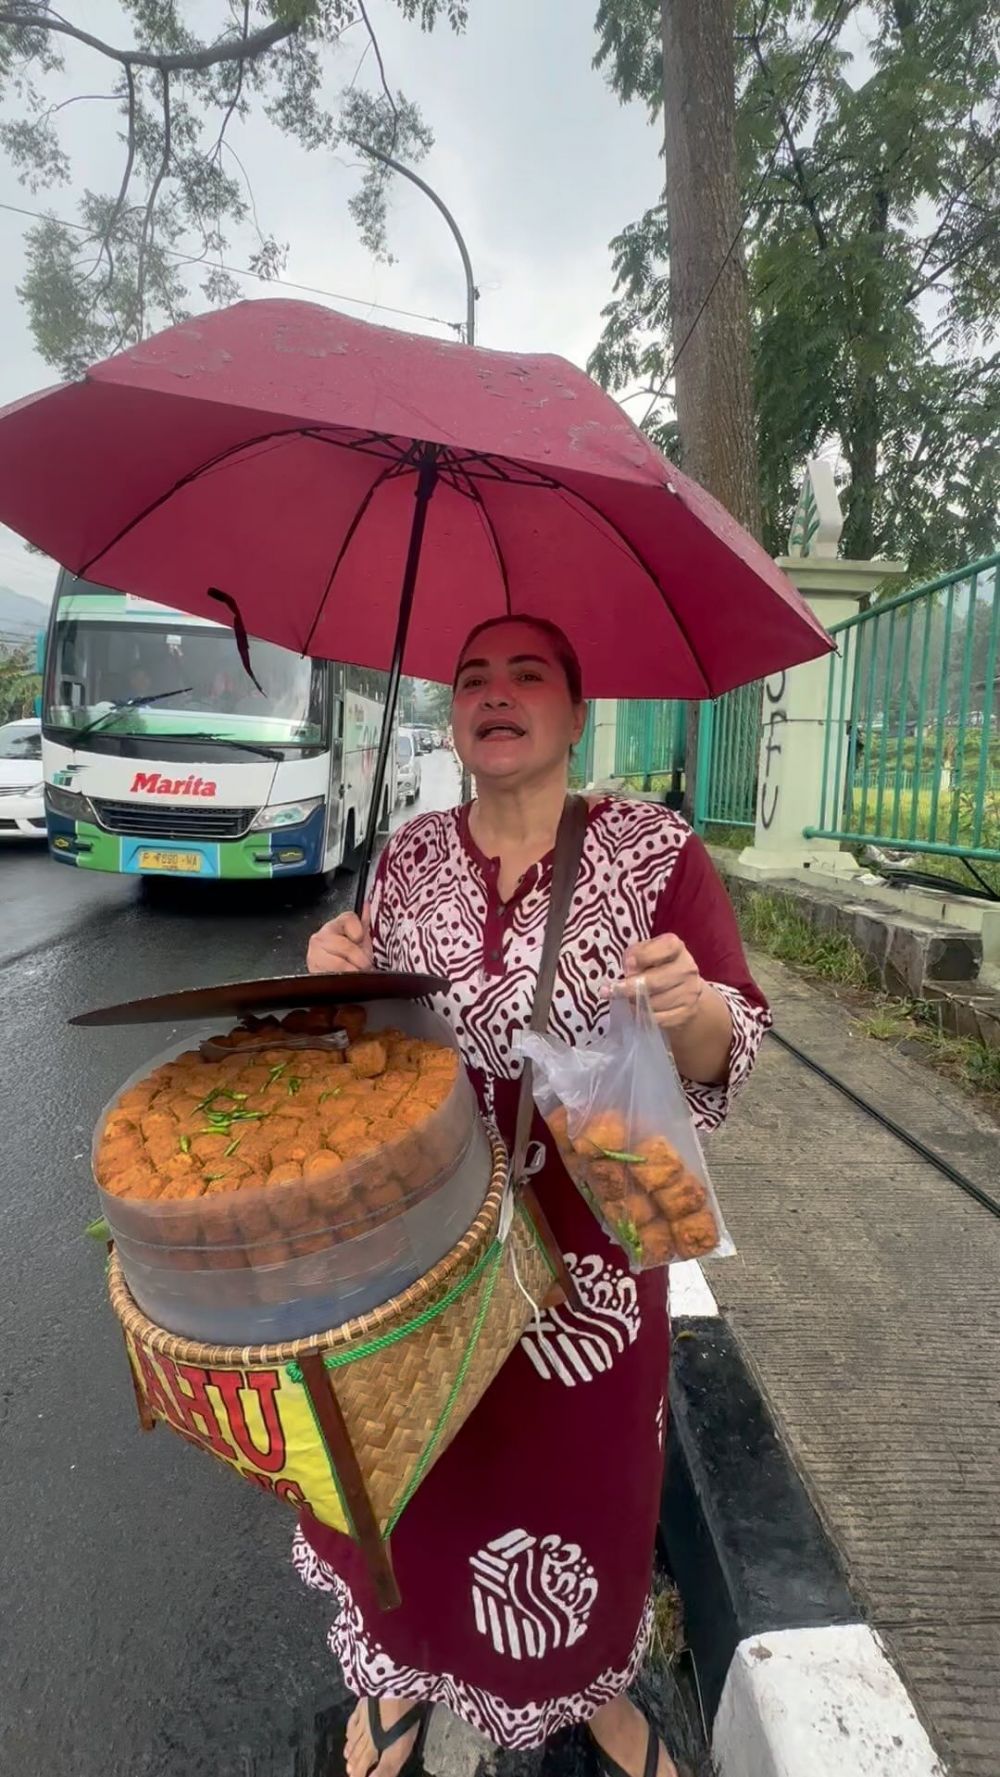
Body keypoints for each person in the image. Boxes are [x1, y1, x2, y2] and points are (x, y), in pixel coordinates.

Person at [303, 616, 770, 1777]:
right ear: (454, 715)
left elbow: (732, 1040)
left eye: (528, 675)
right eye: (472, 678)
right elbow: (362, 1060)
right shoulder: (403, 861)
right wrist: (333, 980)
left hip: (588, 1277)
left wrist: (688, 1008)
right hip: (422, 1255)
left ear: (573, 712)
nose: (495, 694)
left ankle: (588, 1691)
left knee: (584, 1493)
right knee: (412, 1482)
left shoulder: (655, 853)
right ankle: (402, 1678)